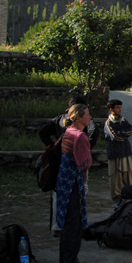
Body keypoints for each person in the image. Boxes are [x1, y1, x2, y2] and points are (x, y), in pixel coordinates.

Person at [38, 95, 97, 234]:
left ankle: (58, 226)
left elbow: (42, 131)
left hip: (60, 161)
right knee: (76, 197)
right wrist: (86, 149)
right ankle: (72, 226)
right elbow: (94, 132)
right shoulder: (78, 128)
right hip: (76, 165)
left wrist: (53, 147)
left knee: (58, 195)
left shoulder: (60, 119)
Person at [56, 104, 92, 263]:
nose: (90, 117)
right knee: (73, 225)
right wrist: (84, 183)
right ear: (78, 118)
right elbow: (85, 163)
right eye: (87, 114)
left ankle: (67, 260)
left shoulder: (68, 131)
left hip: (64, 182)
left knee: (68, 224)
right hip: (73, 184)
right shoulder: (80, 137)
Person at [104, 99, 132, 202]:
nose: (120, 109)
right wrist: (123, 134)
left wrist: (121, 132)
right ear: (111, 109)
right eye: (117, 107)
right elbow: (115, 137)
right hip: (115, 153)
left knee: (129, 175)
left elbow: (131, 130)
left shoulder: (123, 120)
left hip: (125, 151)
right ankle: (116, 197)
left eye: (120, 107)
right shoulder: (109, 123)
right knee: (115, 176)